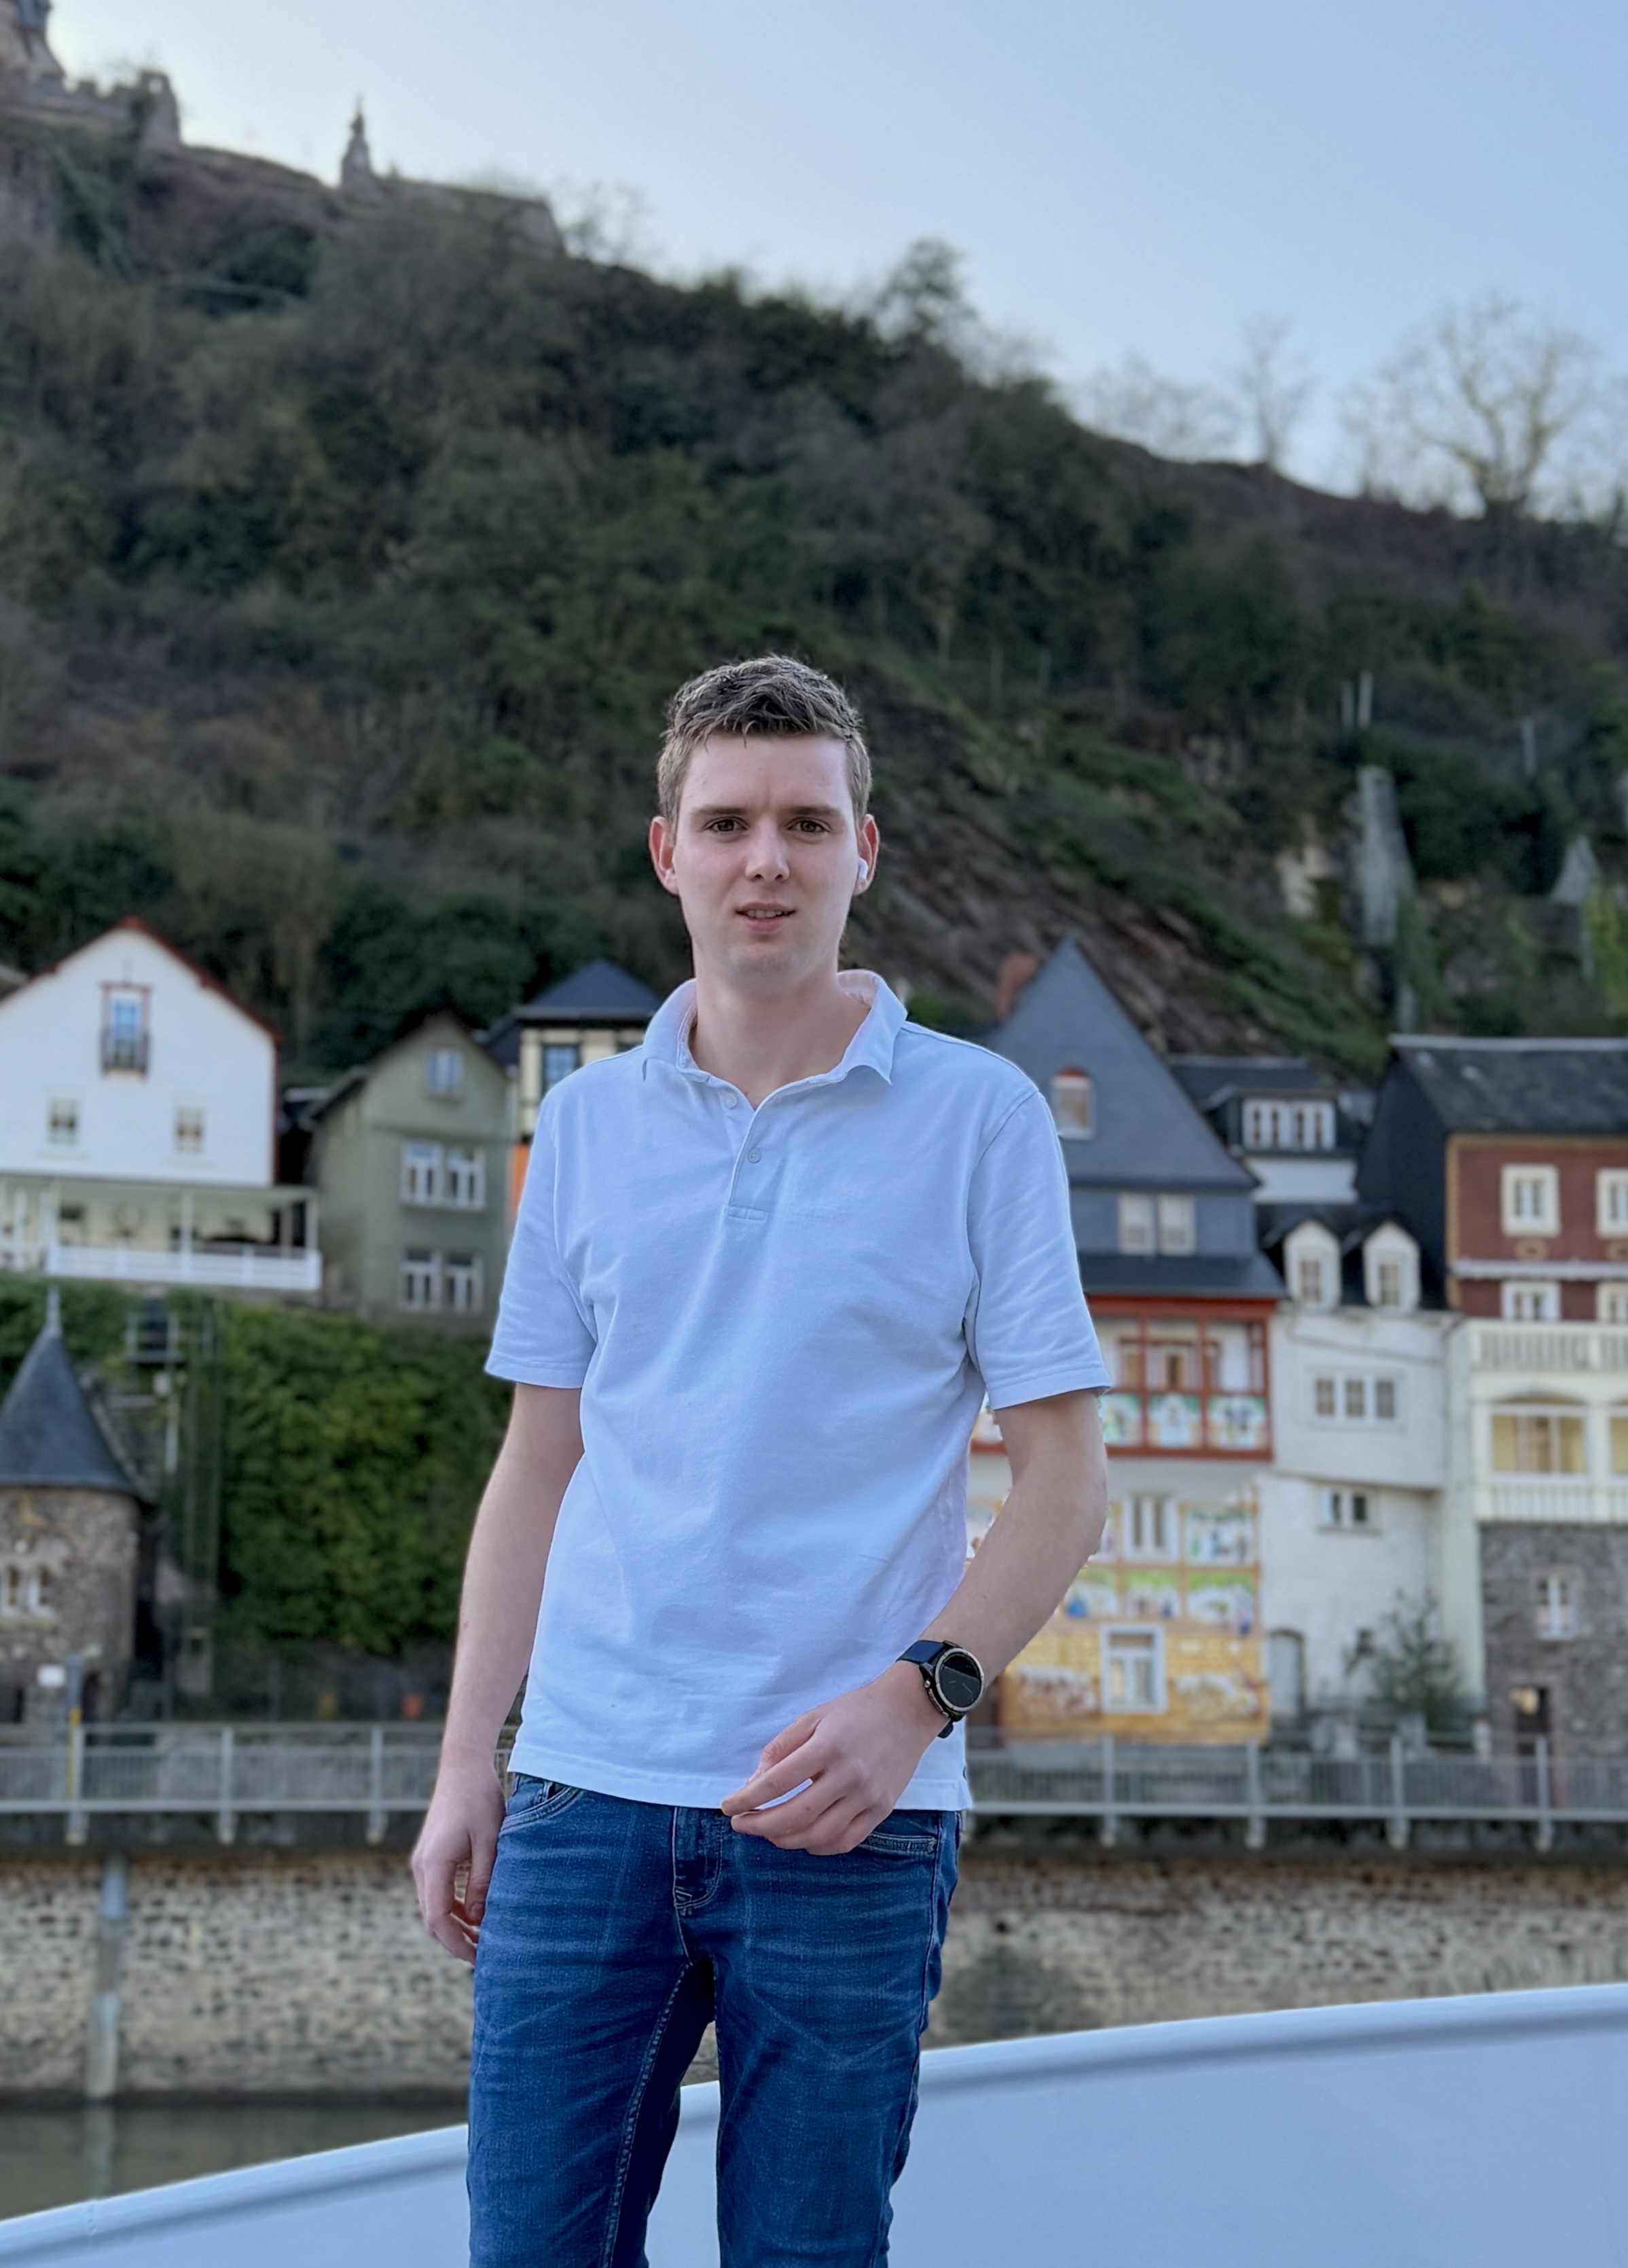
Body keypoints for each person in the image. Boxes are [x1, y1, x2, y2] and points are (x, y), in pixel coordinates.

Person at [412, 654, 1110, 2267]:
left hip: (851, 1813)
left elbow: (1067, 1479)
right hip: (581, 1791)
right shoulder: (583, 1127)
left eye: (806, 821)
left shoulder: (981, 1117)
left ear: (865, 847)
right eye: (727, 823)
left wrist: (915, 1697)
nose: (765, 860)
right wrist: (464, 1763)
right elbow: (536, 1467)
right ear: (669, 852)